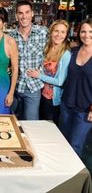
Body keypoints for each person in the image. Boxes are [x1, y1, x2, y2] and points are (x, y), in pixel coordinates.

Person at [58, 18, 92, 157]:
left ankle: (74, 178)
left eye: (90, 31)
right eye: (83, 31)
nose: (86, 35)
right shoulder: (73, 50)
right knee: (62, 141)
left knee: (75, 146)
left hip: (85, 110)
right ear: (79, 33)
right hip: (67, 104)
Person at [27, 19, 71, 125]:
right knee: (40, 125)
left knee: (50, 128)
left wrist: (39, 75)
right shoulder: (47, 48)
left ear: (66, 35)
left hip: (53, 99)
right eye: (56, 31)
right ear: (51, 32)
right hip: (41, 94)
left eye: (63, 32)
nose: (59, 35)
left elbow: (60, 81)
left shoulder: (66, 54)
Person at [10, 0, 48, 120]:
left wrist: (42, 73)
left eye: (27, 12)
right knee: (14, 124)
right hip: (14, 87)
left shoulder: (43, 32)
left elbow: (53, 54)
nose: (24, 16)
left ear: (32, 14)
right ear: (16, 16)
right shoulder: (11, 36)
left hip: (33, 87)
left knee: (31, 125)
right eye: (20, 13)